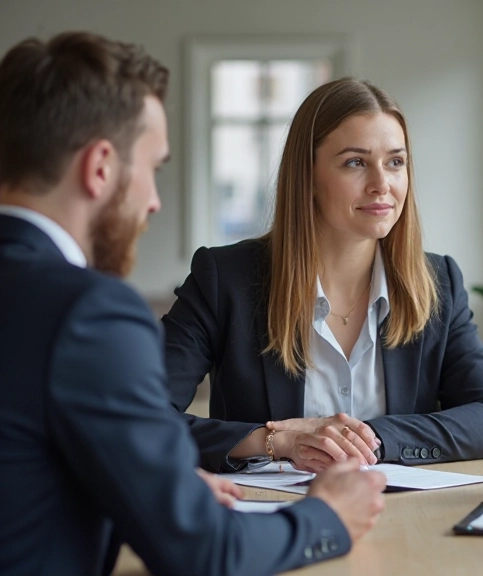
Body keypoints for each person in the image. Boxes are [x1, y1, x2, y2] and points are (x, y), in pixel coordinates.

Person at [0, 32, 387, 576]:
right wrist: (328, 516)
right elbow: (203, 553)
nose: (154, 201)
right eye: (153, 168)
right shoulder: (89, 314)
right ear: (101, 167)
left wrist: (158, 489)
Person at [162, 76, 483, 473]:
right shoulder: (224, 279)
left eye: (395, 162)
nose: (381, 184)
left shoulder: (438, 283)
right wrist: (278, 441)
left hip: (401, 508)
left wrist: (372, 438)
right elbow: (140, 415)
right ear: (308, 176)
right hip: (268, 509)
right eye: (355, 163)